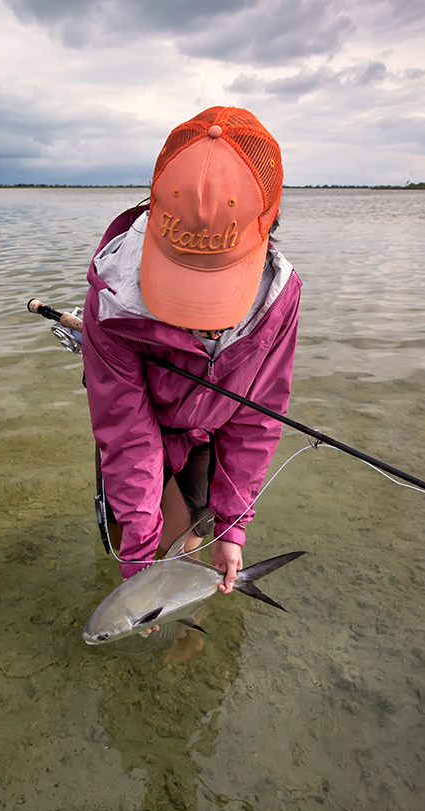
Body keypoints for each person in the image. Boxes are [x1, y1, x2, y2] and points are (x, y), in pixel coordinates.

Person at [82, 106, 302, 595]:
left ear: (269, 224)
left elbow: (257, 416)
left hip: (211, 429)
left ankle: (190, 621)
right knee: (136, 544)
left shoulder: (280, 297)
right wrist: (139, 552)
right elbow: (126, 428)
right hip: (148, 424)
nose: (199, 320)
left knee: (196, 541)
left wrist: (234, 524)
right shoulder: (111, 299)